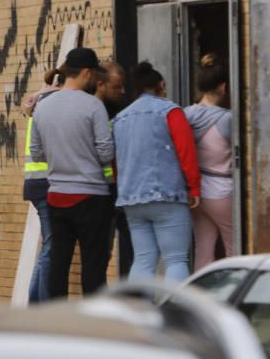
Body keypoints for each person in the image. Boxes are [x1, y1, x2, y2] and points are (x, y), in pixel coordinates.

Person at [30, 48, 115, 298]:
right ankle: (92, 322)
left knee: (59, 264)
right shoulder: (93, 105)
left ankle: (58, 322)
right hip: (92, 196)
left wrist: (61, 156)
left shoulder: (42, 107)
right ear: (87, 73)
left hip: (56, 195)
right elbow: (105, 152)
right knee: (93, 267)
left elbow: (36, 153)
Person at [113, 62, 201, 282]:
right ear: (161, 84)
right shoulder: (170, 111)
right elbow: (186, 151)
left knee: (143, 259)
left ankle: (138, 313)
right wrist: (194, 186)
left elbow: (115, 160)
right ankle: (174, 314)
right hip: (167, 195)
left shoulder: (120, 118)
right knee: (176, 259)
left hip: (131, 199)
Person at [185, 54, 234, 269]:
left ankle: (199, 298)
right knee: (235, 248)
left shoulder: (186, 114)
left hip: (197, 192)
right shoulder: (227, 118)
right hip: (222, 190)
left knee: (203, 251)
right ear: (223, 87)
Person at [22, 68, 62, 304]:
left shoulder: (37, 105)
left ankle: (35, 302)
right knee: (52, 248)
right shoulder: (50, 107)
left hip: (36, 183)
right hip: (47, 182)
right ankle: (44, 306)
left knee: (49, 247)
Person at [94, 61, 135, 278]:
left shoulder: (124, 110)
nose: (123, 91)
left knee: (133, 249)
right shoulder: (93, 111)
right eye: (117, 87)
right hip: (102, 191)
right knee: (101, 252)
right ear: (101, 84)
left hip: (123, 188)